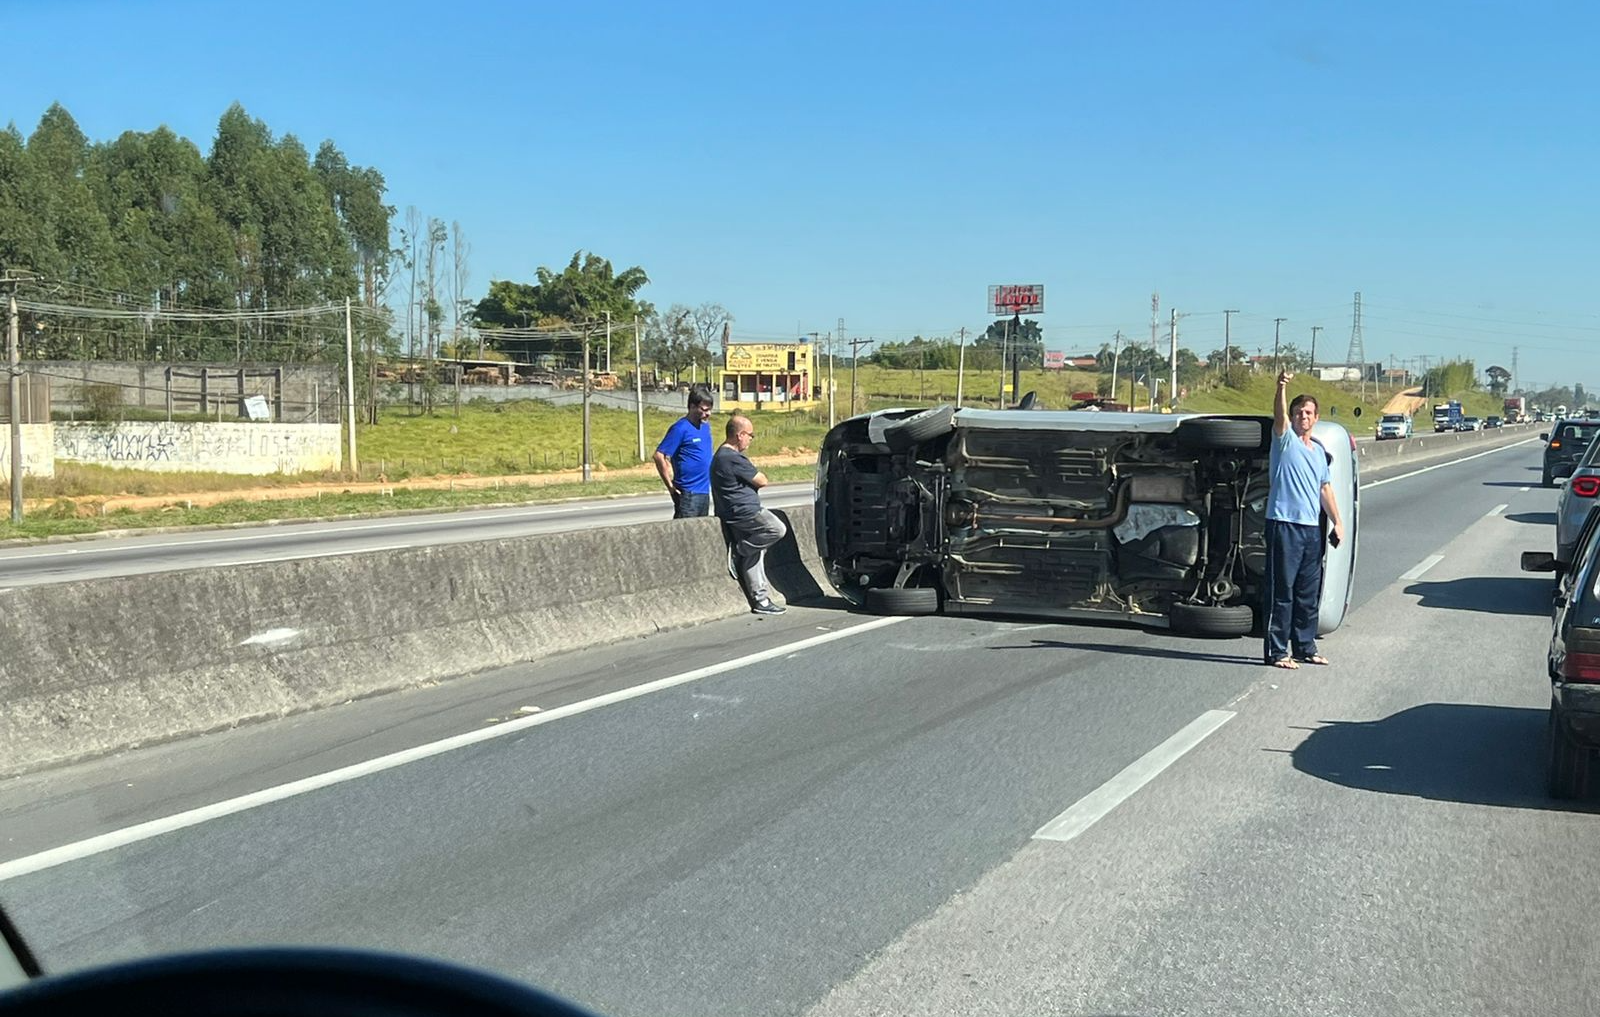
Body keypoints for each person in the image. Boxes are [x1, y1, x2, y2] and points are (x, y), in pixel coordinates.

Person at [1264, 371, 1345, 669]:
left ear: (1316, 417)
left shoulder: (1319, 453)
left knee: (1307, 593)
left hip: (1311, 530)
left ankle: (1305, 647)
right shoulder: (1285, 441)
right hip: (1283, 524)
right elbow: (1279, 415)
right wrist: (1281, 387)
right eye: (1299, 412)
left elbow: (1325, 489)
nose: (1303, 417)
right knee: (1281, 592)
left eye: (1308, 413)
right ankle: (1276, 651)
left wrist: (1337, 521)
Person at [712, 414, 788, 616]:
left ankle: (760, 599)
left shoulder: (721, 456)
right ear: (740, 435)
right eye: (750, 435)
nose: (751, 439)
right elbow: (761, 480)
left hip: (736, 512)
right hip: (745, 512)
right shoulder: (731, 457)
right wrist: (742, 547)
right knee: (777, 529)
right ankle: (739, 550)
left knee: (756, 551)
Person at [653, 386, 715, 518]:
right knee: (685, 535)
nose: (708, 414)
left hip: (704, 491)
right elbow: (659, 456)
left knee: (701, 533)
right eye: (704, 410)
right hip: (688, 495)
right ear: (692, 407)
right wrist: (670, 487)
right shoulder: (680, 428)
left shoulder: (705, 427)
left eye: (709, 410)